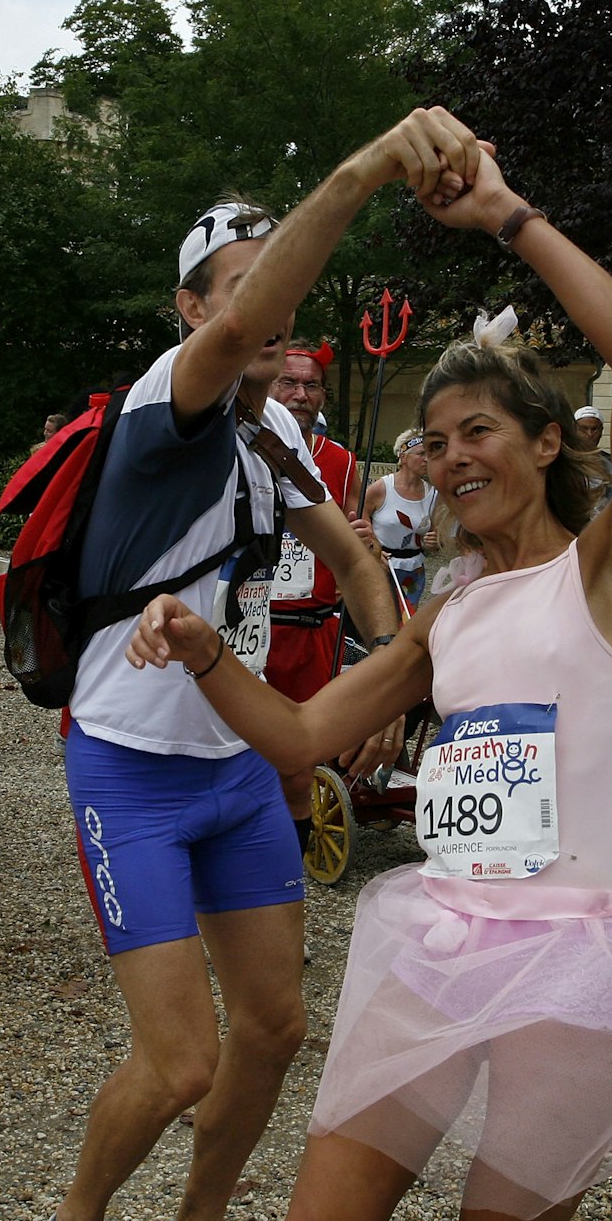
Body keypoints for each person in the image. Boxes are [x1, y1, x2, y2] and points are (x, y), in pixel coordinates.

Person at [125, 131, 612, 1221]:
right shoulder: (447, 608)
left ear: (550, 443)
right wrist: (203, 649)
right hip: (443, 934)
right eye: (435, 442)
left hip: (576, 957)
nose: (451, 460)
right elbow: (304, 732)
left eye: (481, 433)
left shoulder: (610, 567)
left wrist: (507, 214)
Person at [28, 116, 440, 1221]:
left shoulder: (275, 435)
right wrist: (363, 168)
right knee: (180, 1060)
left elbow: (358, 560)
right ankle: (75, 1220)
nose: (266, 310)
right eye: (238, 288)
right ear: (193, 309)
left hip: (240, 767)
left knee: (273, 1029)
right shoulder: (174, 396)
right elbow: (255, 317)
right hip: (129, 769)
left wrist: (395, 677)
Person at [264, 337, 368, 873]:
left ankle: (283, 877)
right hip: (252, 627)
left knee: (300, 764)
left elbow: (352, 540)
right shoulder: (235, 445)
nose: (300, 394)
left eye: (311, 385)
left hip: (313, 630)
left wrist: (361, 538)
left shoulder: (343, 463)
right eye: (289, 381)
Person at [363, 429, 439, 611]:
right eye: (421, 454)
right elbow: (359, 514)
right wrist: (372, 547)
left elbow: (436, 536)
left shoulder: (433, 494)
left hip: (414, 570)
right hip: (383, 566)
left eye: (429, 454)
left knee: (407, 620)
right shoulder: (382, 488)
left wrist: (433, 541)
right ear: (403, 457)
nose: (427, 459)